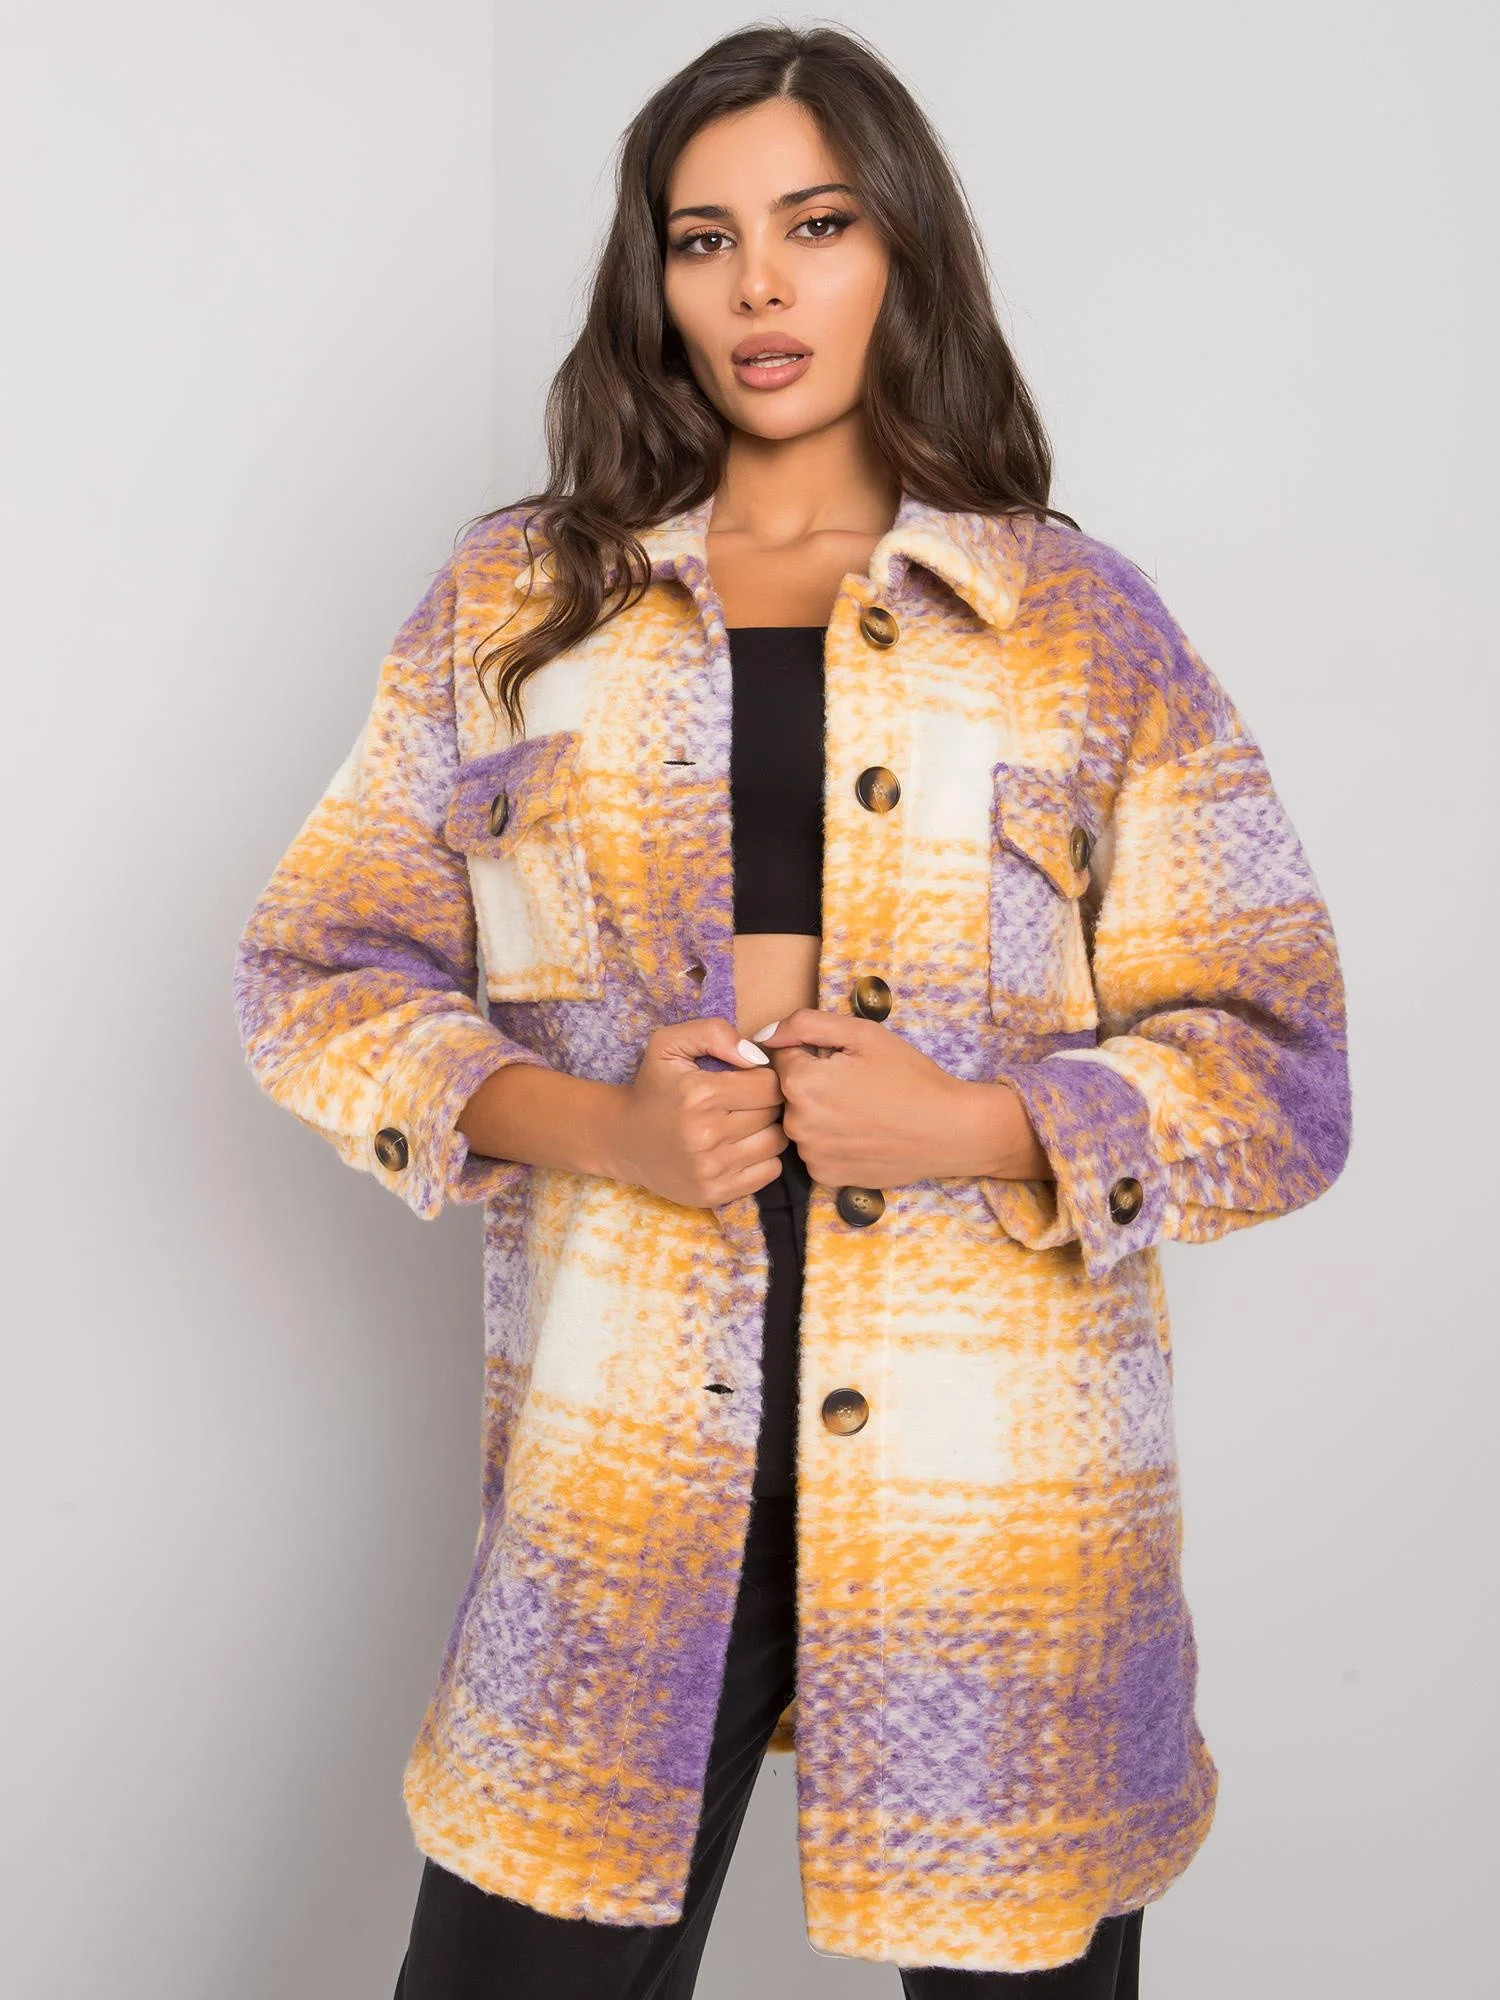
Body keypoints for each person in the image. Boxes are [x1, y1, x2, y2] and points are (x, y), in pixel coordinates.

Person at [232, 22, 1351, 1996]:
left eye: (816, 226)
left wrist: (980, 1124)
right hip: (622, 1467)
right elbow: (315, 973)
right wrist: (597, 1126)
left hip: (998, 1499)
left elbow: (1280, 1065)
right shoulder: (517, 603)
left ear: (902, 248)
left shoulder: (1081, 626)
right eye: (706, 238)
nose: (760, 285)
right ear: (653, 279)